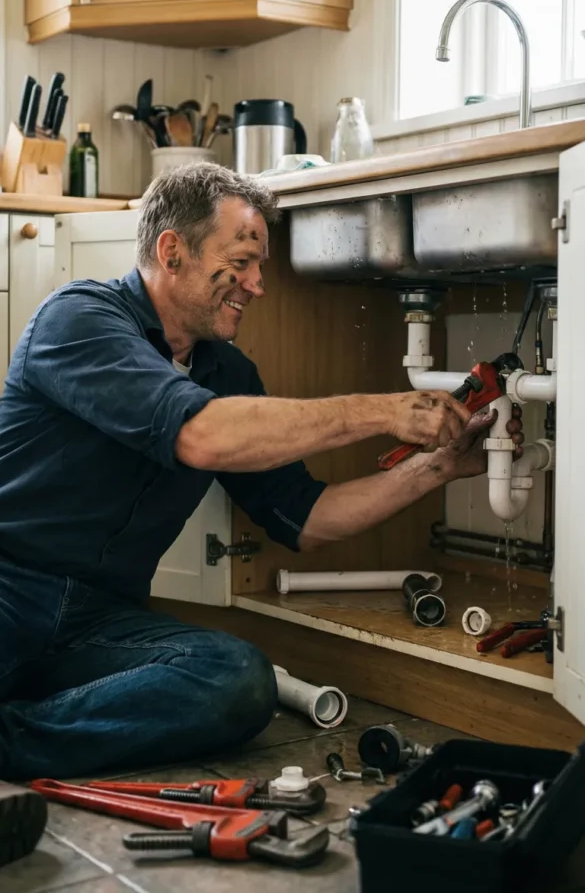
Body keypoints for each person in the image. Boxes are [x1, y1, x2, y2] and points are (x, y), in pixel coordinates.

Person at [0, 164, 522, 781]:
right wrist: (384, 411)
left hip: (101, 621)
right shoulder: (79, 319)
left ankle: (17, 738)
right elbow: (200, 433)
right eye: (242, 262)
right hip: (11, 588)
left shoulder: (229, 374)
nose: (257, 285)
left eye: (261, 268)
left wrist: (434, 470)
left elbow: (304, 516)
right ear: (173, 252)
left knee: (239, 681)